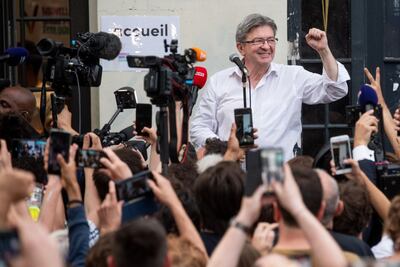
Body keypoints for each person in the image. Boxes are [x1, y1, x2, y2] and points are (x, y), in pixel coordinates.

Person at [190, 13, 350, 161]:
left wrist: (323, 51)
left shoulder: (293, 76)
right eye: (258, 41)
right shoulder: (219, 81)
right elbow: (199, 127)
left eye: (271, 40)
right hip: (232, 174)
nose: (266, 46)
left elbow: (335, 89)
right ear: (240, 47)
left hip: (278, 175)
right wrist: (226, 148)